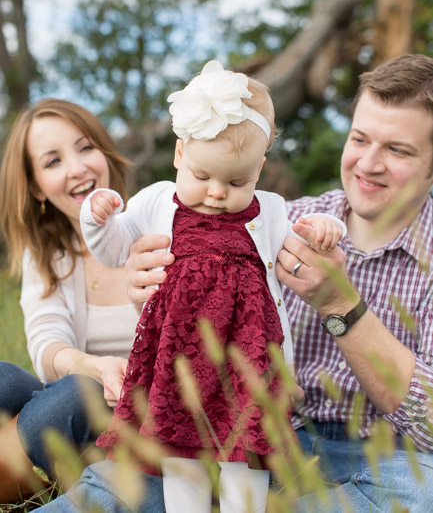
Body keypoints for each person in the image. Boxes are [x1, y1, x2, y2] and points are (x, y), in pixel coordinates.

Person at [36, 53, 433, 513]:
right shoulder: (281, 215)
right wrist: (146, 288)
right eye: (359, 138)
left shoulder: (283, 221)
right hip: (255, 430)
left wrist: (341, 305)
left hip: (376, 458)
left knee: (424, 490)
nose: (368, 163)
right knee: (131, 477)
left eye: (398, 149)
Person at [79, 60, 345, 513]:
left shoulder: (272, 211)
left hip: (249, 361)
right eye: (203, 177)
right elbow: (113, 248)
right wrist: (96, 215)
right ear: (180, 155)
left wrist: (325, 226)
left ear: (259, 169)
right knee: (181, 450)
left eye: (237, 181)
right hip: (179, 357)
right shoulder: (159, 200)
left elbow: (304, 244)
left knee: (248, 450)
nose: (217, 192)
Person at [0, 98, 164, 508]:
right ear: (36, 185)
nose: (77, 168)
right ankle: (58, 470)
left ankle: (37, 476)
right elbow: (46, 343)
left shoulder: (159, 227)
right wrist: (96, 368)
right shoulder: (50, 255)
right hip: (81, 410)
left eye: (85, 147)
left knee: (73, 394)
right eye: (53, 161)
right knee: (5, 379)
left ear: (105, 153)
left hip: (152, 417)